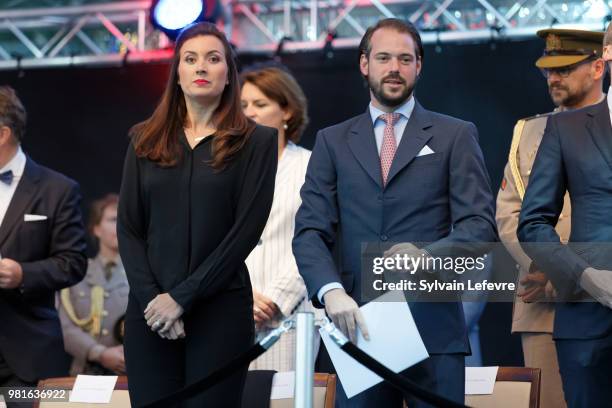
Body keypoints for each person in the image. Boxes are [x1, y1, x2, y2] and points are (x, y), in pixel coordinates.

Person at [293, 18, 497, 407]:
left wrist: (427, 256)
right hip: (357, 325)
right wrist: (330, 291)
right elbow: (309, 232)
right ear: (364, 64)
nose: (394, 68)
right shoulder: (332, 141)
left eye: (405, 59)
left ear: (419, 66)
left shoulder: (455, 134)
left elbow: (479, 227)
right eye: (384, 57)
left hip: (432, 325)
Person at [117, 22, 277, 408]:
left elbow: (244, 232)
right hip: (150, 314)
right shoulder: (144, 139)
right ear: (177, 74)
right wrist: (155, 300)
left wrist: (182, 298)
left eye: (212, 58)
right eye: (190, 59)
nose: (201, 67)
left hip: (220, 312)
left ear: (228, 74)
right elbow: (129, 228)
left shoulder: (258, 142)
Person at [497, 29, 605, 408]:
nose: (554, 78)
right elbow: (510, 215)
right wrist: (551, 270)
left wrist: (570, 273)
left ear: (597, 67)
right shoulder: (528, 131)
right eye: (548, 70)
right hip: (542, 300)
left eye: (564, 68)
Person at [0, 86, 87, 406]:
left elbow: (74, 262)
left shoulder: (57, 189)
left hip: (25, 356)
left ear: (3, 134)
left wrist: (22, 274)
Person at [240, 66, 321, 371]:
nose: (250, 114)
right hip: (234, 310)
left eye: (260, 105)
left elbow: (317, 239)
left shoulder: (311, 165)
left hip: (290, 313)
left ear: (287, 110)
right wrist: (239, 297)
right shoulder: (225, 170)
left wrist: (275, 297)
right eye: (244, 106)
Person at [59, 193, 129, 376]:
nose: (120, 225)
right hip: (86, 372)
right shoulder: (77, 273)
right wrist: (99, 353)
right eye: (113, 219)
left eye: (125, 219)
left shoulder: (143, 275)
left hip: (129, 370)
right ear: (96, 229)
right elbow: (64, 326)